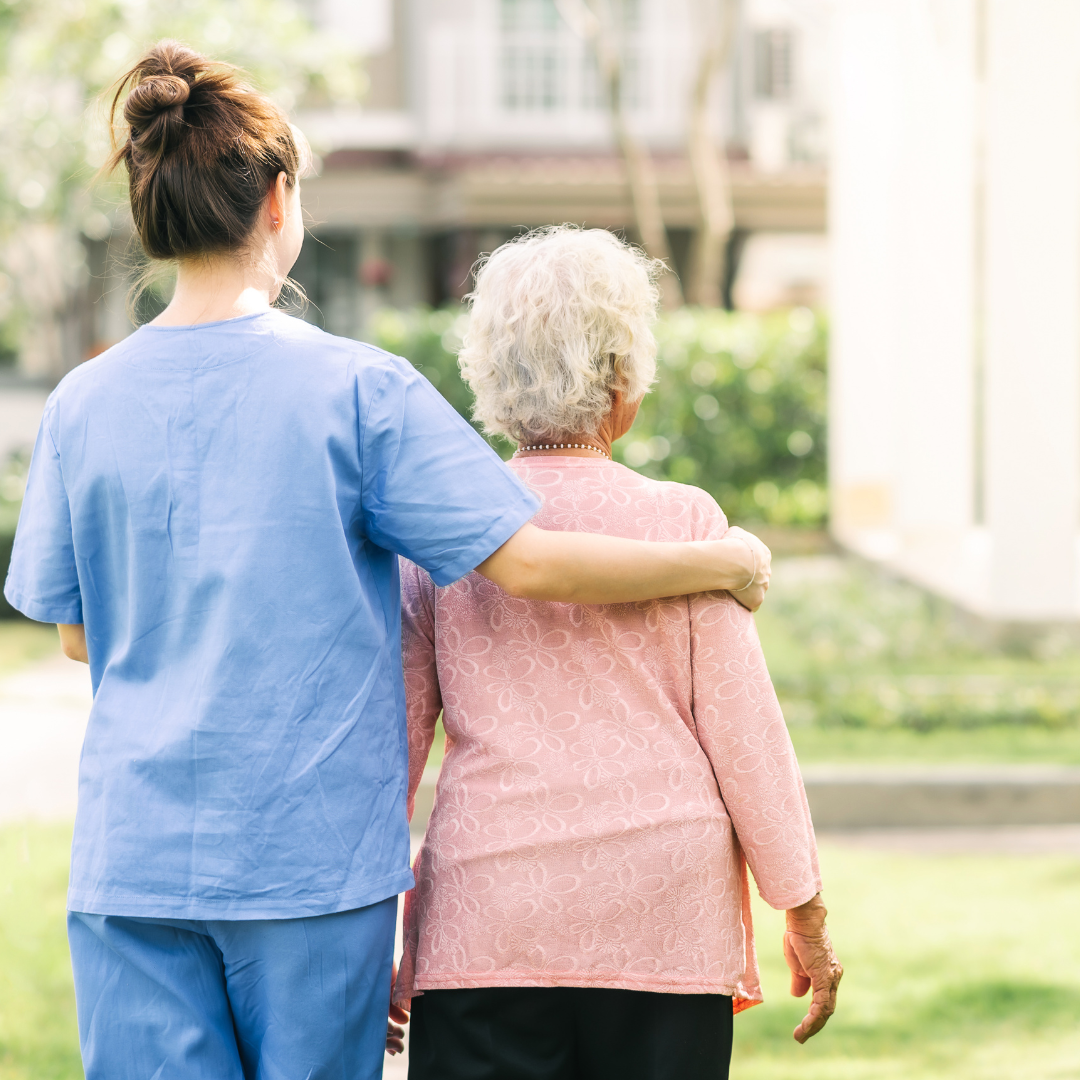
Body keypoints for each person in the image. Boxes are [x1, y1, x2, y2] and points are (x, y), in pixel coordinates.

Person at [2, 45, 774, 1080]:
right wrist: (713, 562)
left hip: (133, 864)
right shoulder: (359, 392)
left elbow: (76, 634)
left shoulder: (80, 405)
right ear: (279, 202)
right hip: (311, 870)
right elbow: (532, 565)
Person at [393, 227, 842, 1080]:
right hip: (663, 915)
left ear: (490, 376)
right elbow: (749, 741)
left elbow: (392, 754)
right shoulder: (686, 525)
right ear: (622, 382)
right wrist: (806, 915)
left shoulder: (442, 537)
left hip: (491, 916)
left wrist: (375, 928)